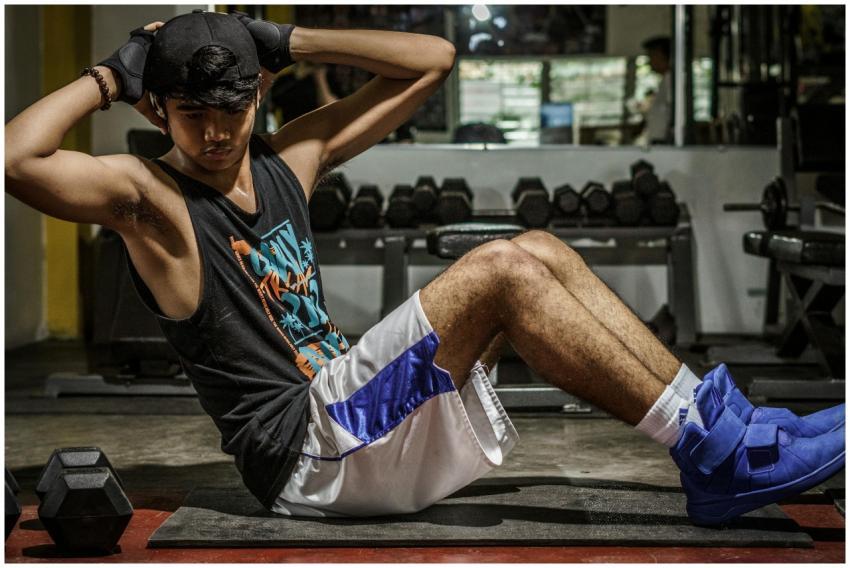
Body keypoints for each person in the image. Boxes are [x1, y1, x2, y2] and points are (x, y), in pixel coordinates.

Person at [5, 11, 844, 523]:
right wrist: (111, 75)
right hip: (304, 449)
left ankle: (719, 427)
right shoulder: (153, 201)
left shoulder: (286, 160)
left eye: (233, 109)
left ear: (259, 95)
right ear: (160, 109)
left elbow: (435, 58)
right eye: (193, 115)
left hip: (351, 414)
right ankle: (717, 453)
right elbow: (16, 158)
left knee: (540, 250)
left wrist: (288, 39)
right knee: (501, 272)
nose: (217, 135)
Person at [640, 35, 673, 145]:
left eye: (651, 56)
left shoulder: (672, 81)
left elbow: (674, 111)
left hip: (664, 141)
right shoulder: (666, 80)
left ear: (661, 55)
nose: (649, 62)